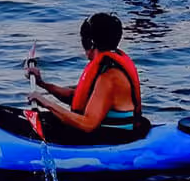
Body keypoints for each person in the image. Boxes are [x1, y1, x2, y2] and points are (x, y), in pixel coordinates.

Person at [22, 13, 146, 144]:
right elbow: (76, 97)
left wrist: (46, 103)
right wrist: (43, 84)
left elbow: (88, 124)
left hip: (112, 136)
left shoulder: (110, 77)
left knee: (12, 120)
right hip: (101, 130)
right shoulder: (106, 66)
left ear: (90, 43)